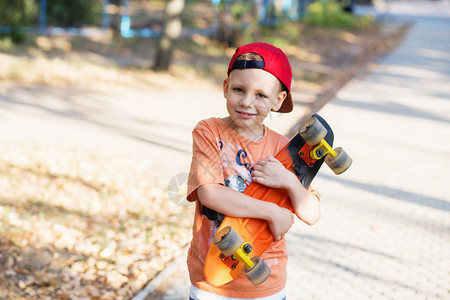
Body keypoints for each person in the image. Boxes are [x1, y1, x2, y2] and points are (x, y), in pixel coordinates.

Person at [186, 42, 321, 300]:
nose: (247, 102)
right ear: (226, 88)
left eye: (261, 95)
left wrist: (288, 182)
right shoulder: (208, 132)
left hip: (266, 285)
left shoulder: (285, 150)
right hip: (210, 283)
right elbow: (211, 194)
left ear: (278, 100)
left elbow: (312, 214)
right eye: (239, 89)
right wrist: (272, 212)